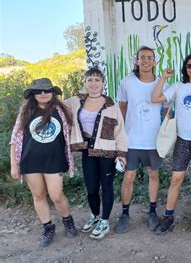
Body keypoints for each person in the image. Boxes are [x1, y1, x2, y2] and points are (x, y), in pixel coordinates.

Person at [151, 54, 191, 234]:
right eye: (189, 66)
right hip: (183, 140)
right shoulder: (178, 87)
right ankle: (168, 216)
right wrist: (163, 77)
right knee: (176, 178)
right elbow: (155, 98)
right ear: (185, 69)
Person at [9, 78, 78, 247]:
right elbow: (15, 139)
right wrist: (14, 164)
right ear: (32, 94)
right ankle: (48, 227)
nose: (43, 94)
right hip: (30, 160)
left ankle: (67, 220)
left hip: (54, 160)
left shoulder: (62, 110)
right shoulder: (25, 111)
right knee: (38, 195)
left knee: (56, 195)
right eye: (38, 91)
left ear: (53, 93)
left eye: (47, 90)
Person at [64, 68, 128, 239]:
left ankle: (105, 221)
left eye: (97, 80)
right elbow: (55, 107)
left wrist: (121, 153)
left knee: (106, 187)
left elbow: (120, 130)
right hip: (88, 151)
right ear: (84, 82)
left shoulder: (110, 104)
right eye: (90, 79)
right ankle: (94, 215)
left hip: (108, 152)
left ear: (103, 83)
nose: (93, 83)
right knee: (91, 187)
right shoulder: (75, 101)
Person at [114, 46, 168, 233]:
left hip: (153, 141)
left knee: (153, 175)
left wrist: (168, 133)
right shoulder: (127, 82)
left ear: (155, 62)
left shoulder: (163, 83)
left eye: (150, 58)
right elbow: (122, 108)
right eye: (142, 57)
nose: (146, 61)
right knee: (128, 177)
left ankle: (152, 212)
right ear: (136, 61)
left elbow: (167, 110)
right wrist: (118, 136)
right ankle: (125, 214)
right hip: (131, 140)